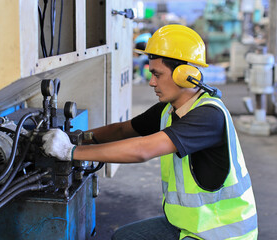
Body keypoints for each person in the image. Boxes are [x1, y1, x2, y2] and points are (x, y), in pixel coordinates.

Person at [42, 24, 258, 240]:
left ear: (185, 75)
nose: (151, 82)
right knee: (124, 237)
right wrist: (80, 138)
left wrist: (70, 152)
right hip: (189, 225)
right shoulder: (169, 109)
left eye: (157, 74)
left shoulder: (208, 116)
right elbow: (123, 129)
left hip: (222, 233)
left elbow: (143, 150)